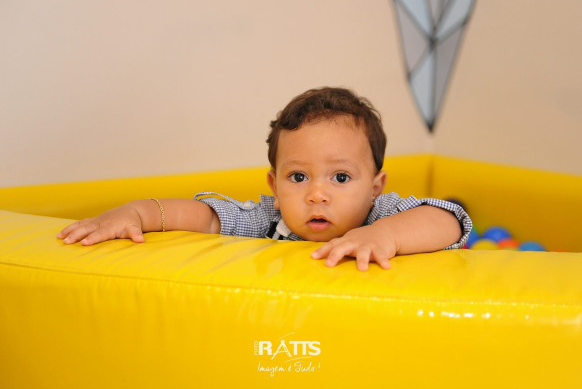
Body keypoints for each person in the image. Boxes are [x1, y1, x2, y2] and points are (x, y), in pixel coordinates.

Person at [58, 87, 472, 271]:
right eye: (298, 176)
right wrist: (137, 212)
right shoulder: (269, 222)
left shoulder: (381, 215)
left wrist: (384, 236)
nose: (317, 194)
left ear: (375, 187)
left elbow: (449, 219)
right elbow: (204, 216)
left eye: (341, 177)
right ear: (274, 188)